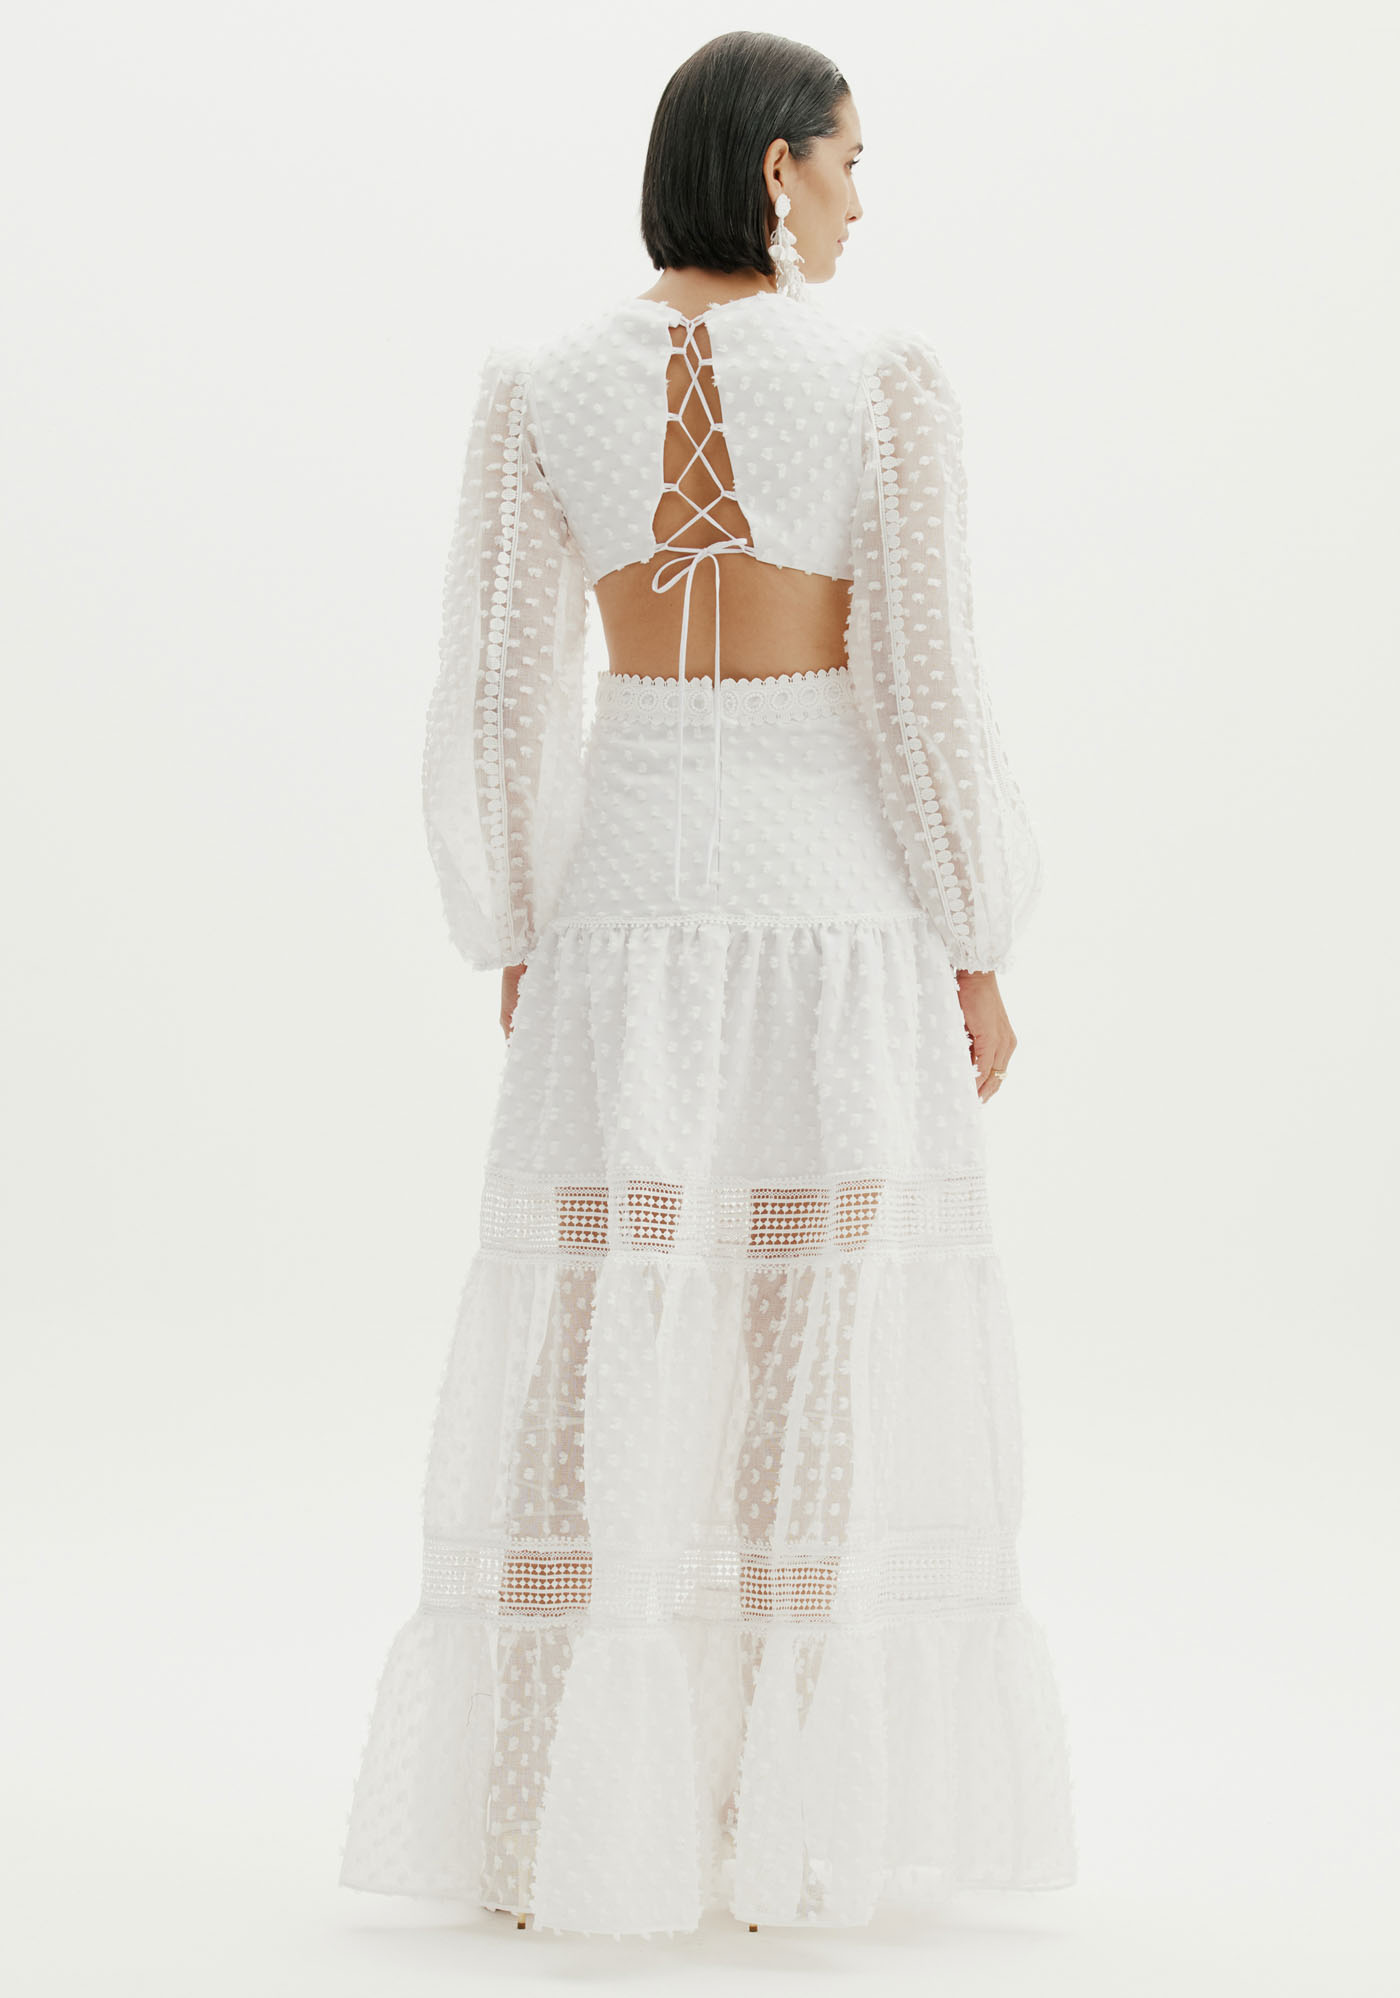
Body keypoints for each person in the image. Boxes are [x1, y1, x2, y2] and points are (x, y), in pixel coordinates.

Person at [338, 29, 1077, 1940]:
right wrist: (979, 937)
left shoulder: (539, 390)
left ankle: (555, 1822)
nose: (860, 198)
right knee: (810, 1344)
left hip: (625, 913)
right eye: (847, 160)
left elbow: (499, 697)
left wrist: (514, 923)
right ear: (772, 168)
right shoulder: (884, 385)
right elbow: (924, 690)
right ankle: (780, 1832)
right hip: (835, 914)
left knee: (602, 1337)